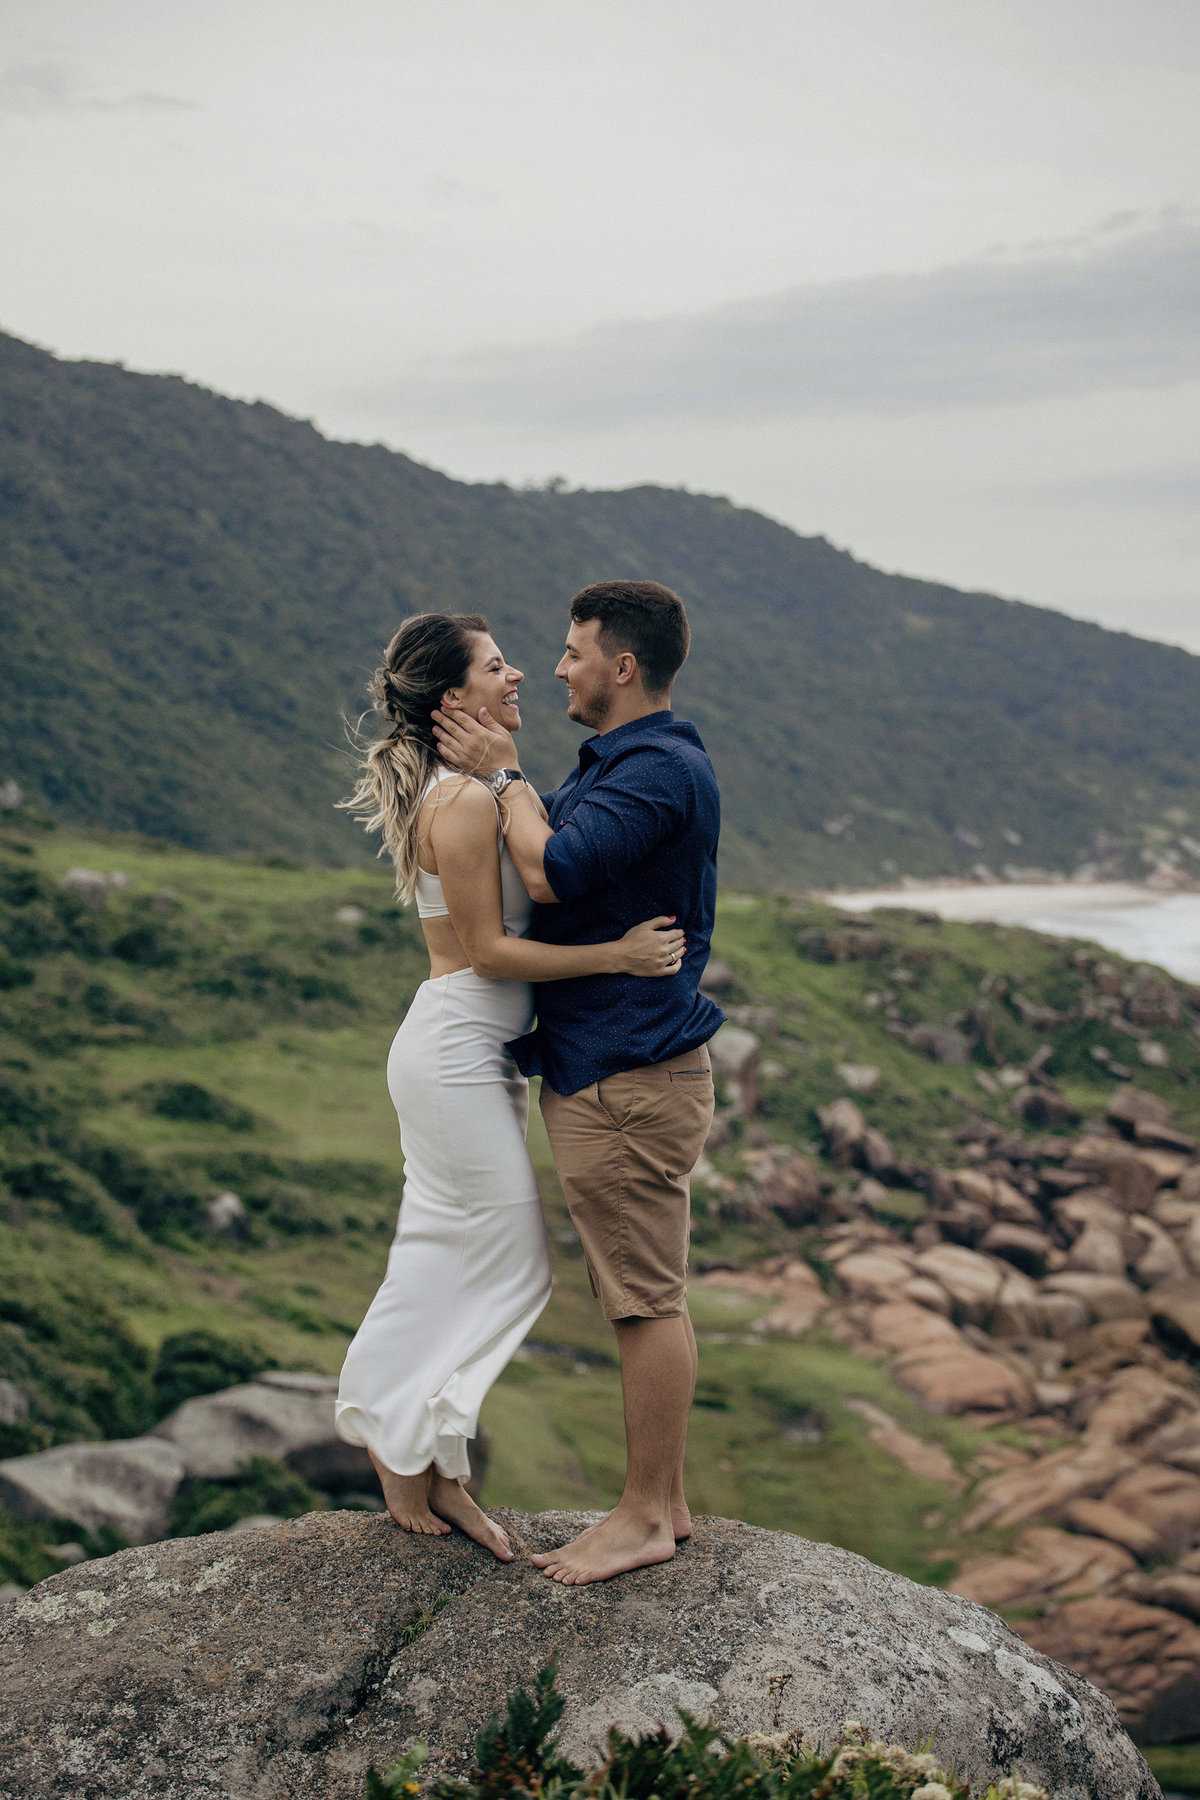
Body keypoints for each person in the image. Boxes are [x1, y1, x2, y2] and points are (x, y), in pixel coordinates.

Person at [334, 611, 686, 1564]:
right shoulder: (464, 803)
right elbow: (488, 952)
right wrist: (616, 953)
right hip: (454, 1050)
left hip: (469, 1054)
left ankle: (429, 1458)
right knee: (505, 1261)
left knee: (450, 1246)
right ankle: (400, 1443)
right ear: (457, 699)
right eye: (498, 666)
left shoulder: (478, 791)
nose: (521, 673)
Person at [432, 579, 724, 1585]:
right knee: (645, 1292)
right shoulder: (623, 762)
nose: (556, 667)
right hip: (616, 1071)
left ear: (622, 666)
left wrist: (508, 774)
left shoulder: (656, 772)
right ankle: (667, 1503)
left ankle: (644, 1513)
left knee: (643, 1301)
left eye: (571, 651)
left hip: (628, 1076)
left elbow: (553, 872)